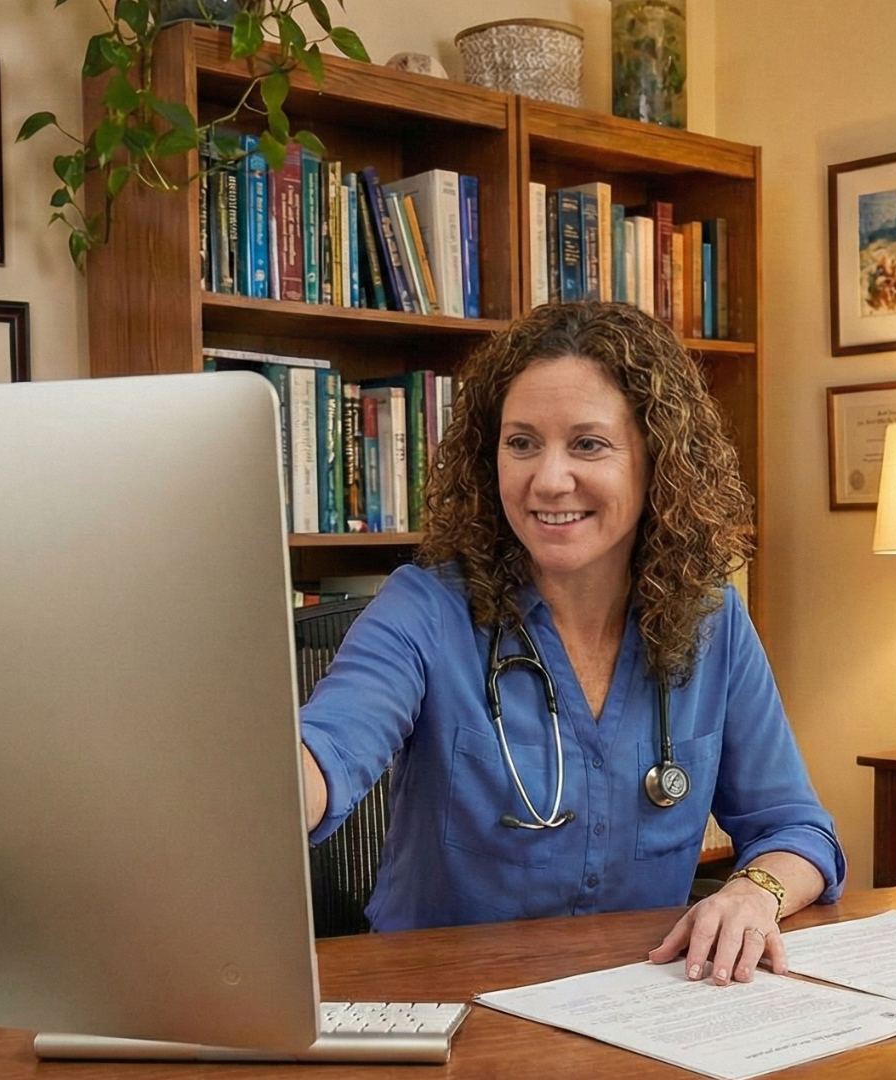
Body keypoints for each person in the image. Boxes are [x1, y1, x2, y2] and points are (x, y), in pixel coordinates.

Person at [298, 302, 844, 985]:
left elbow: (797, 830)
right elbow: (328, 750)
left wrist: (750, 894)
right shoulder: (426, 609)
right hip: (445, 1006)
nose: (549, 480)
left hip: (636, 1003)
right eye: (522, 443)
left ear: (657, 459)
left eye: (588, 444)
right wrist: (272, 788)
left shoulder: (713, 620)